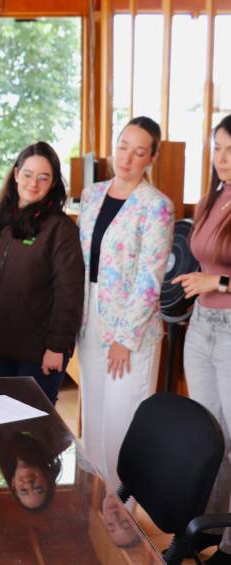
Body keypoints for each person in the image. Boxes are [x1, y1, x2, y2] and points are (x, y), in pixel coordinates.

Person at [77, 116, 174, 490]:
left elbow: (151, 279)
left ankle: (125, 514)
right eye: (122, 146)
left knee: (123, 421)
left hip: (131, 328)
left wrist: (125, 338)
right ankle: (99, 507)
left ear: (151, 157)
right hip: (90, 318)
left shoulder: (157, 206)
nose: (127, 158)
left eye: (138, 152)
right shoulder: (92, 195)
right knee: (97, 418)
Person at [0, 141, 84, 404]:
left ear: (53, 183)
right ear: (16, 174)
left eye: (43, 177)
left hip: (38, 354)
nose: (33, 183)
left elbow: (69, 294)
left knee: (33, 433)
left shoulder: (61, 229)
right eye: (27, 174)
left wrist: (57, 347)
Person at [174, 113, 231, 563]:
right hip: (201, 328)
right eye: (217, 149)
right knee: (210, 438)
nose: (222, 159)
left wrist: (219, 284)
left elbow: (220, 276)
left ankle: (230, 543)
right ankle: (208, 527)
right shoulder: (215, 198)